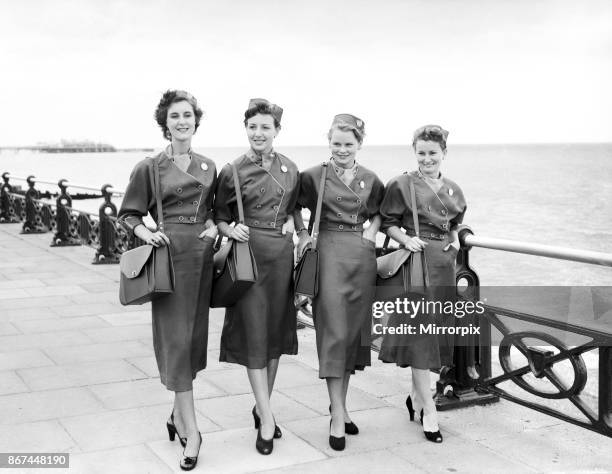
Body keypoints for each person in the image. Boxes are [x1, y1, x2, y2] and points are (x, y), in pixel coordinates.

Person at [118, 90, 217, 470]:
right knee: (175, 341)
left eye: (188, 115)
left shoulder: (209, 166)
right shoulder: (150, 166)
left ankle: (176, 417)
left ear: (196, 120)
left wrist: (212, 227)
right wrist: (146, 233)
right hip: (169, 259)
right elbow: (128, 213)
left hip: (201, 259)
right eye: (175, 116)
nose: (182, 122)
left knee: (191, 342)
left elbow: (215, 213)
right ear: (165, 123)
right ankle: (193, 431)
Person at [214, 98, 299, 455]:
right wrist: (230, 230)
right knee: (253, 335)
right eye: (253, 127)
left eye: (266, 127)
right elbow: (217, 216)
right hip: (248, 258)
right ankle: (266, 417)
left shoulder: (292, 169)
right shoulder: (232, 170)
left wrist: (294, 224)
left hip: (279, 256)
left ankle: (261, 406)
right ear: (245, 129)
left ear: (277, 130)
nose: (258, 133)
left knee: (276, 334)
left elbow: (297, 210)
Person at [295, 114, 384, 451]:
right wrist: (303, 235)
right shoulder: (314, 176)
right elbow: (293, 207)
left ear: (359, 144)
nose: (342, 149)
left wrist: (372, 234)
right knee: (333, 334)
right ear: (328, 141)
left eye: (349, 144)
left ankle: (340, 407)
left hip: (360, 258)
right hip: (328, 255)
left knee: (350, 336)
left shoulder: (372, 179)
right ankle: (337, 416)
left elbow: (382, 211)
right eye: (336, 143)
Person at [378, 124, 467, 443]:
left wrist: (456, 241)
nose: (427, 158)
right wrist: (406, 239)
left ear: (444, 153)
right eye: (421, 153)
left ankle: (416, 399)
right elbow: (387, 223)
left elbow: (455, 223)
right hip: (416, 264)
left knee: (435, 335)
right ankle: (430, 411)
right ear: (414, 152)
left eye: (433, 153)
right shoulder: (402, 183)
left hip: (443, 265)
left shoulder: (454, 189)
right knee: (419, 337)